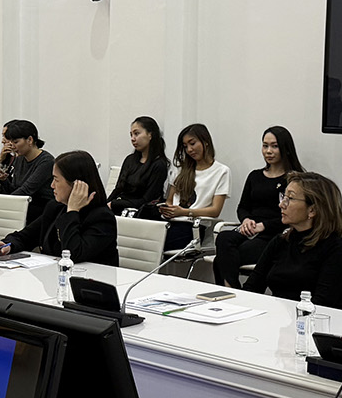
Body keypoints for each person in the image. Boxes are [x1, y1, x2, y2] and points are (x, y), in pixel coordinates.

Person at [240, 172, 342, 308]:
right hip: (280, 316)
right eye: (283, 197)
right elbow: (252, 288)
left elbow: (321, 305)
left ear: (312, 210)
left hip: (315, 319)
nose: (281, 204)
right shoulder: (280, 241)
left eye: (290, 198)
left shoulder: (336, 249)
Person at [0, 151, 119, 266]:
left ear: (76, 185)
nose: (52, 185)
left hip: (89, 281)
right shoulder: (56, 207)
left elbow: (73, 254)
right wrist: (8, 245)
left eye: (56, 180)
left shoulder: (102, 217)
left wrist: (72, 211)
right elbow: (26, 236)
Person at [213, 126, 304, 287]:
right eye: (265, 145)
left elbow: (294, 216)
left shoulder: (293, 180)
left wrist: (264, 226)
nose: (268, 151)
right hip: (250, 229)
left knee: (221, 260)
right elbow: (243, 207)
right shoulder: (255, 176)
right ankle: (234, 292)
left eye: (274, 146)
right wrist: (246, 220)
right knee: (223, 237)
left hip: (274, 233)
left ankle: (232, 292)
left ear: (285, 148)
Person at [157, 123, 231, 251]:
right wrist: (167, 209)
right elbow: (170, 200)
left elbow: (215, 211)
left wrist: (184, 212)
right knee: (137, 236)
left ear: (205, 142)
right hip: (170, 222)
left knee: (153, 243)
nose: (189, 150)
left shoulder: (221, 171)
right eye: (185, 146)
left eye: (192, 143)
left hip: (192, 226)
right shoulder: (181, 169)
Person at [0, 119, 55, 223]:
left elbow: (26, 191)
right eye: (10, 142)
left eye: (16, 142)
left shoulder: (46, 162)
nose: (12, 146)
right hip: (21, 207)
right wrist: (4, 180)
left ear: (30, 140)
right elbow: (14, 189)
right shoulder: (20, 158)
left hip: (38, 211)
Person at [107, 116, 169, 215]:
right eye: (131, 135)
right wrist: (105, 204)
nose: (132, 139)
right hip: (119, 206)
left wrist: (115, 204)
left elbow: (147, 200)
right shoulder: (130, 160)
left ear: (150, 135)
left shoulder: (159, 165)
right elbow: (118, 189)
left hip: (140, 212)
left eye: (136, 134)